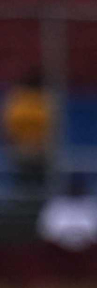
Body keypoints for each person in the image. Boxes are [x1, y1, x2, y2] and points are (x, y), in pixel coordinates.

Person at [5, 66, 53, 196]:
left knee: (32, 182)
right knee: (28, 182)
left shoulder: (20, 100)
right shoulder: (38, 102)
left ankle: (31, 204)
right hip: (31, 150)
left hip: (29, 150)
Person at [37, 170, 97, 250]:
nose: (75, 188)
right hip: (56, 252)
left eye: (78, 185)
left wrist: (83, 237)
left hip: (90, 253)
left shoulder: (94, 203)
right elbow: (45, 232)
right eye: (73, 185)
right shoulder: (56, 203)